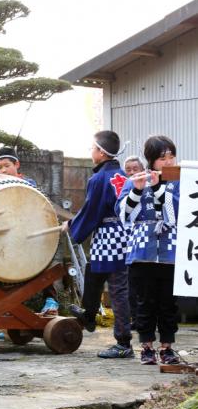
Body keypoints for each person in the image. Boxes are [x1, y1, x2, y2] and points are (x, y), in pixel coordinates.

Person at [66, 131, 133, 359]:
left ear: (101, 152)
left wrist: (72, 226)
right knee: (94, 272)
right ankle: (89, 314)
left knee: (117, 289)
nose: (90, 152)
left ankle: (123, 342)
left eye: (92, 148)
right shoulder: (122, 175)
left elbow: (90, 211)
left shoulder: (98, 179)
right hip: (122, 234)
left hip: (109, 234)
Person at [116, 136, 180, 365]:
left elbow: (175, 216)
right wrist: (137, 190)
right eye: (163, 158)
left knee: (168, 303)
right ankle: (146, 347)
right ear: (151, 160)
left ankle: (167, 348)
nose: (169, 161)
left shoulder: (180, 181)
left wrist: (158, 188)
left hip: (170, 253)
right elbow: (124, 216)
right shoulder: (133, 180)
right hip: (142, 252)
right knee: (143, 301)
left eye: (171, 156)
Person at [0, 146, 59, 317]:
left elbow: (40, 209)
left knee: (41, 264)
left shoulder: (29, 184)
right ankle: (9, 312)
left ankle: (51, 301)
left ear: (17, 164)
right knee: (4, 273)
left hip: (30, 235)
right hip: (6, 239)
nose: (3, 170)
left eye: (6, 165)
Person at [122, 155, 146, 330]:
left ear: (142, 169)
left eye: (134, 169)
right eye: (128, 170)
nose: (131, 172)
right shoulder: (126, 187)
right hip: (131, 245)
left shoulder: (150, 185)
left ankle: (146, 320)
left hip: (148, 244)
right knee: (132, 287)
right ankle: (136, 319)